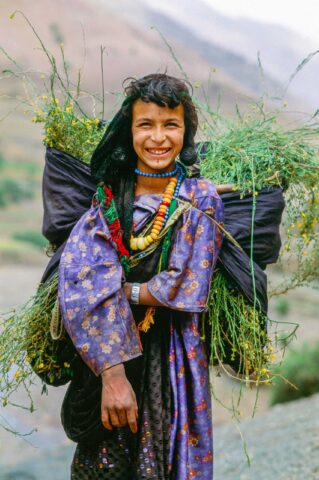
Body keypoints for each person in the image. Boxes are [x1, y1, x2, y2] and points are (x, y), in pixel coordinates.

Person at [58, 73, 224, 479]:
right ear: (128, 130)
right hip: (109, 357)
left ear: (187, 132)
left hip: (171, 357)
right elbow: (82, 282)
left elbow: (183, 286)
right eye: (145, 125)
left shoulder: (199, 198)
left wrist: (123, 291)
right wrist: (113, 378)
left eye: (171, 125)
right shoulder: (109, 196)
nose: (158, 138)